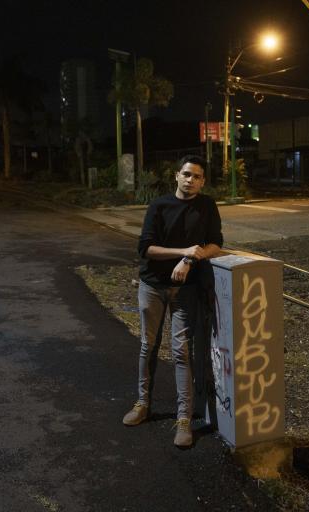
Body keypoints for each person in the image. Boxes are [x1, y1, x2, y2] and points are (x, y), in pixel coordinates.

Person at [122, 155, 223, 448]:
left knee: (181, 352)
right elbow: (146, 248)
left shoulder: (207, 206)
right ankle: (143, 404)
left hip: (186, 289)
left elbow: (216, 242)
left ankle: (183, 419)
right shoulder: (160, 206)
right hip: (152, 285)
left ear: (203, 182)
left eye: (198, 177)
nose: (191, 180)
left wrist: (190, 258)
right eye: (187, 174)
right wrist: (183, 251)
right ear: (177, 176)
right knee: (148, 345)